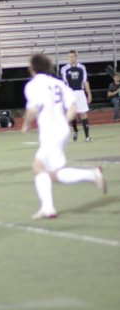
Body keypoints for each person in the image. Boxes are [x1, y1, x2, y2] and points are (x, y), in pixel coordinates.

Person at [22, 53, 107, 219]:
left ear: (32, 68)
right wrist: (63, 122)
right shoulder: (59, 83)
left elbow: (33, 109)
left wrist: (26, 124)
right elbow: (73, 107)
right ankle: (48, 207)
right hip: (60, 129)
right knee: (40, 168)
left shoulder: (33, 85)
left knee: (50, 172)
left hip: (50, 132)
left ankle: (91, 175)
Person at [60, 50, 93, 141]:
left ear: (76, 57)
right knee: (73, 114)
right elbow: (64, 83)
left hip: (80, 92)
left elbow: (85, 81)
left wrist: (89, 94)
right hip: (70, 93)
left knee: (83, 113)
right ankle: (75, 130)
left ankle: (87, 136)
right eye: (70, 56)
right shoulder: (64, 69)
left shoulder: (82, 67)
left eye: (73, 56)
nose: (71, 58)